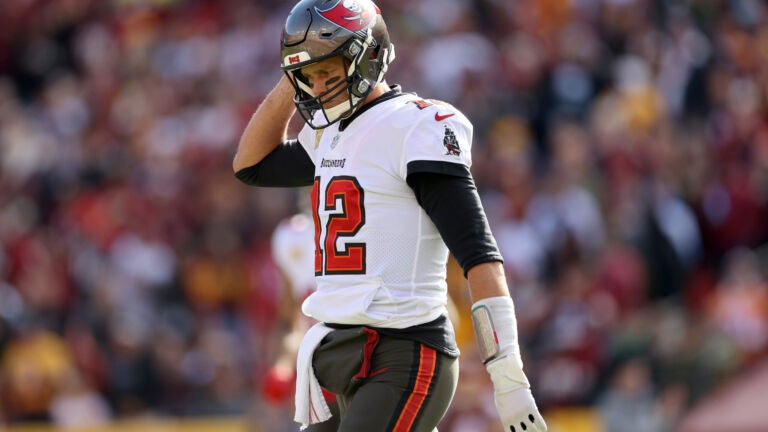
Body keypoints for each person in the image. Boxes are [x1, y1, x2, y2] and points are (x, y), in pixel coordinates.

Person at [233, 1, 547, 431]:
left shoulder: (415, 126)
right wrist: (296, 74)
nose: (318, 88)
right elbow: (251, 164)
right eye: (310, 76)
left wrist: (509, 378)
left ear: (370, 56)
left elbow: (479, 255)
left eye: (330, 71)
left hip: (403, 347)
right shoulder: (327, 134)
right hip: (335, 348)